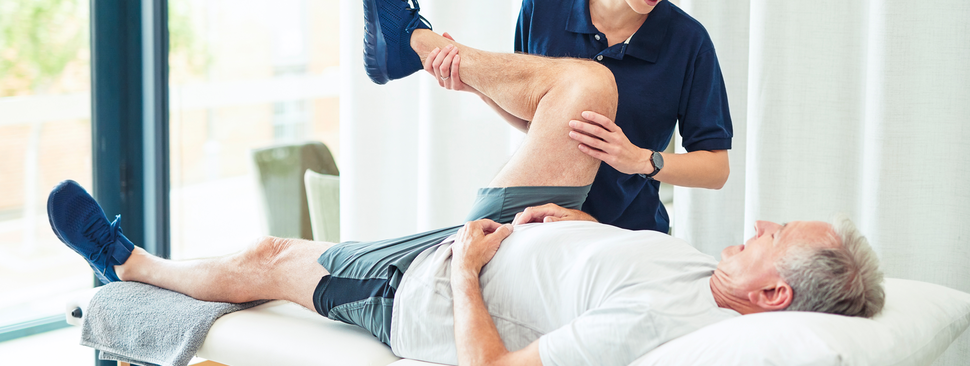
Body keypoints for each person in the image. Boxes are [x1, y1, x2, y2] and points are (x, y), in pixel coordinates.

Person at [48, 6, 882, 366]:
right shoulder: (706, 274)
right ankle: (412, 43)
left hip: (449, 281)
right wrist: (575, 224)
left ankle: (136, 269)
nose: (760, 218)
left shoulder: (680, 322)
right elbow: (532, 107)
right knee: (585, 84)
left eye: (777, 231)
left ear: (773, 293)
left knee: (276, 257)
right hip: (542, 214)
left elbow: (716, 162)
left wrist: (641, 163)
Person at [410, 0, 733, 233]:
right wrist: (479, 88)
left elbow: (716, 169)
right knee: (452, 261)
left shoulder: (689, 41)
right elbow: (538, 122)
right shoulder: (541, 8)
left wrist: (640, 159)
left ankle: (410, 40)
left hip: (623, 232)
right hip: (538, 220)